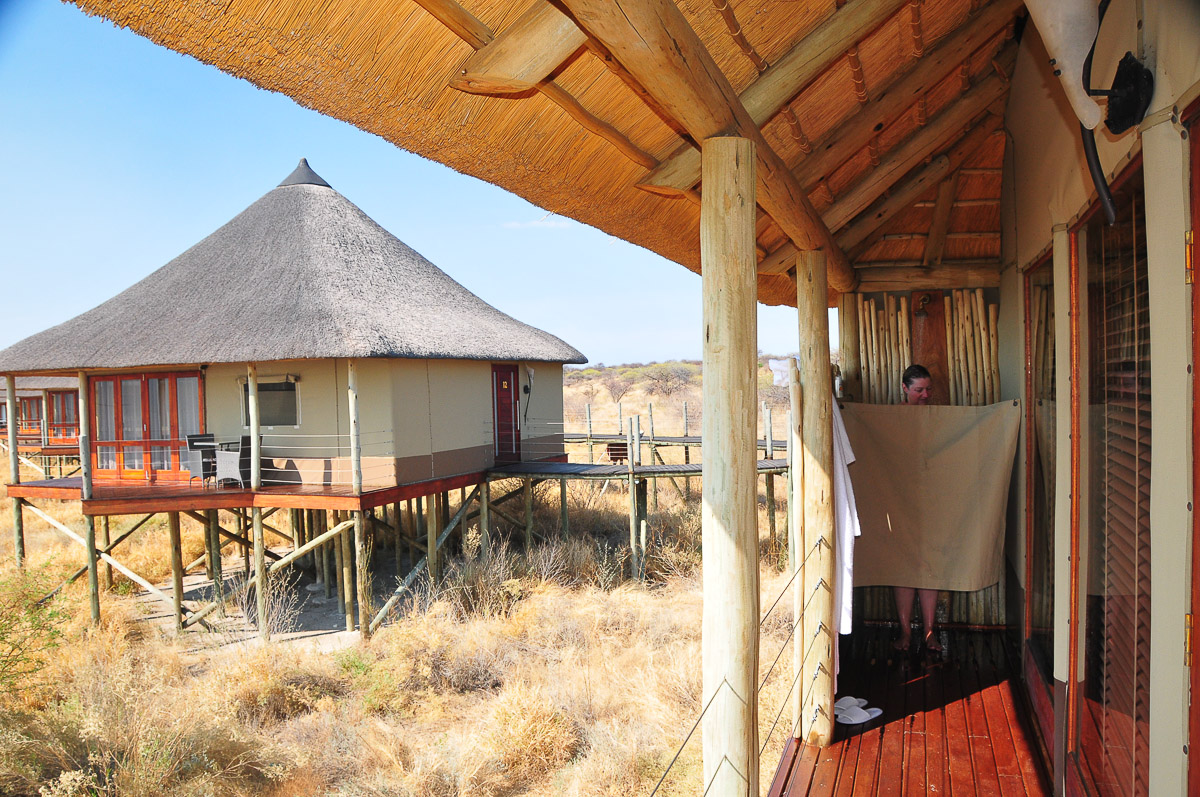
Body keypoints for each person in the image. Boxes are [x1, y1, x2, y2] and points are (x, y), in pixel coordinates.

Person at [893, 364, 941, 652]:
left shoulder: (939, 418)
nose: (925, 395)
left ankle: (929, 633)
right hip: (898, 501)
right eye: (918, 390)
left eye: (928, 389)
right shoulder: (891, 418)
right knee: (901, 568)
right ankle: (905, 634)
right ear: (904, 389)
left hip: (931, 500)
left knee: (929, 566)